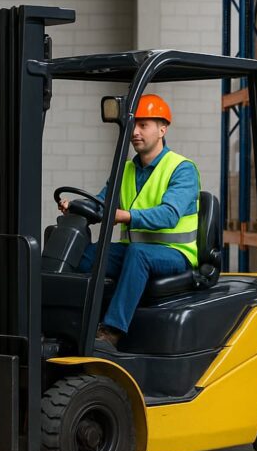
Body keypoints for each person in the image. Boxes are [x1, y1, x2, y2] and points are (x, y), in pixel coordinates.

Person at [59, 94, 200, 351]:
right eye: (133, 125)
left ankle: (111, 331)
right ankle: (66, 321)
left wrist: (125, 216)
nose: (135, 131)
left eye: (143, 125)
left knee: (139, 254)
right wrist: (75, 207)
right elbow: (101, 204)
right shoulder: (125, 170)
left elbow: (169, 214)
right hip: (133, 252)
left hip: (176, 255)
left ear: (162, 129)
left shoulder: (182, 169)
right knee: (81, 255)